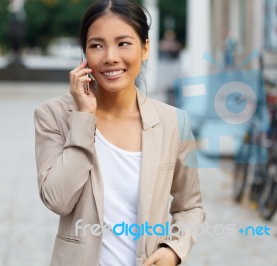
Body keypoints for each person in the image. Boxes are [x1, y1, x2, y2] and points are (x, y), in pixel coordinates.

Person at [34, 1, 205, 265]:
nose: (110, 56)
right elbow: (58, 200)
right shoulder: (53, 116)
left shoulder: (174, 123)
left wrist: (173, 250)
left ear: (145, 48)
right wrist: (83, 118)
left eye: (123, 43)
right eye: (97, 45)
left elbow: (190, 206)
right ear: (85, 55)